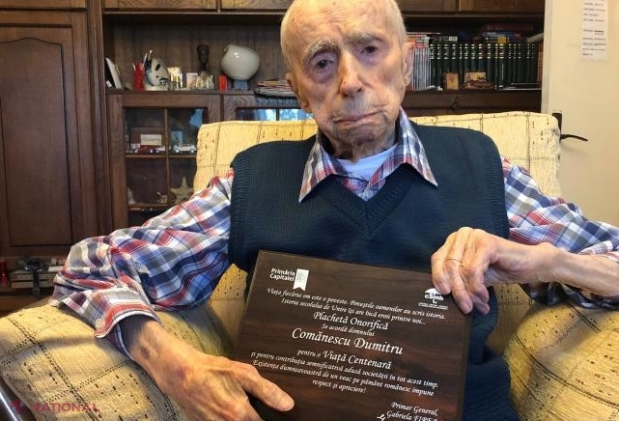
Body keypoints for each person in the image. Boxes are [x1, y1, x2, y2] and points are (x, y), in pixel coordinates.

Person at [52, 0, 619, 420]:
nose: (350, 82)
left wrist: (545, 261)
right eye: (322, 63)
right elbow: (89, 268)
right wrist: (173, 364)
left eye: (370, 50)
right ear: (297, 90)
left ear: (406, 64)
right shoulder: (251, 183)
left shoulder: (482, 167)